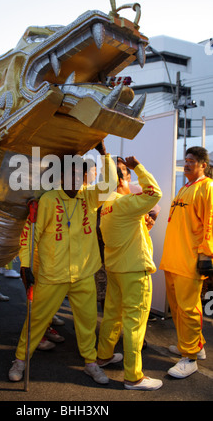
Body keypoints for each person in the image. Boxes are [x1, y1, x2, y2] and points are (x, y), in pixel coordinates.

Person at [8, 141, 119, 385]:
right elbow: (29, 237)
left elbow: (110, 184)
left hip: (83, 274)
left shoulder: (89, 197)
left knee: (88, 322)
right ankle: (20, 359)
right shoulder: (47, 200)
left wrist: (104, 155)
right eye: (72, 173)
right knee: (36, 320)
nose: (77, 178)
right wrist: (25, 266)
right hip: (52, 274)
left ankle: (90, 363)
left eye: (80, 173)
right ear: (61, 176)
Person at [97, 157, 163, 390]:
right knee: (135, 323)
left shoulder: (106, 205)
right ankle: (133, 377)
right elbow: (154, 193)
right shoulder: (125, 203)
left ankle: (103, 355)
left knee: (112, 316)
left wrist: (142, 223)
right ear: (122, 178)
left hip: (115, 269)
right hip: (134, 269)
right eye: (126, 172)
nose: (131, 175)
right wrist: (139, 166)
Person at [160, 146, 212, 379]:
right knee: (179, 308)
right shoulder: (185, 188)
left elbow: (211, 223)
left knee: (189, 309)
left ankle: (189, 358)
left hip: (190, 261)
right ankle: (193, 346)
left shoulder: (207, 188)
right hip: (173, 260)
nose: (187, 164)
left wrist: (206, 256)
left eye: (192, 161)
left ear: (203, 165)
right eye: (186, 160)